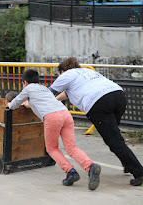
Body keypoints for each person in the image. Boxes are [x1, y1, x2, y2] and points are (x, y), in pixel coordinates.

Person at [49, 57, 143, 186]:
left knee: (114, 141)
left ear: (62, 71)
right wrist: (56, 100)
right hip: (118, 95)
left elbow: (48, 94)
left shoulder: (66, 75)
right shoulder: (87, 72)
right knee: (115, 136)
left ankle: (139, 172)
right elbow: (66, 94)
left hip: (98, 103)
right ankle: (127, 163)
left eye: (58, 74)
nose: (58, 77)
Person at [7, 69, 101, 190]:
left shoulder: (28, 89)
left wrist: (9, 105)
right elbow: (40, 102)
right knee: (71, 147)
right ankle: (91, 167)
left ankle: (70, 172)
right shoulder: (44, 88)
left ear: (24, 82)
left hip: (52, 117)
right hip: (66, 114)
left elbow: (14, 104)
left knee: (51, 148)